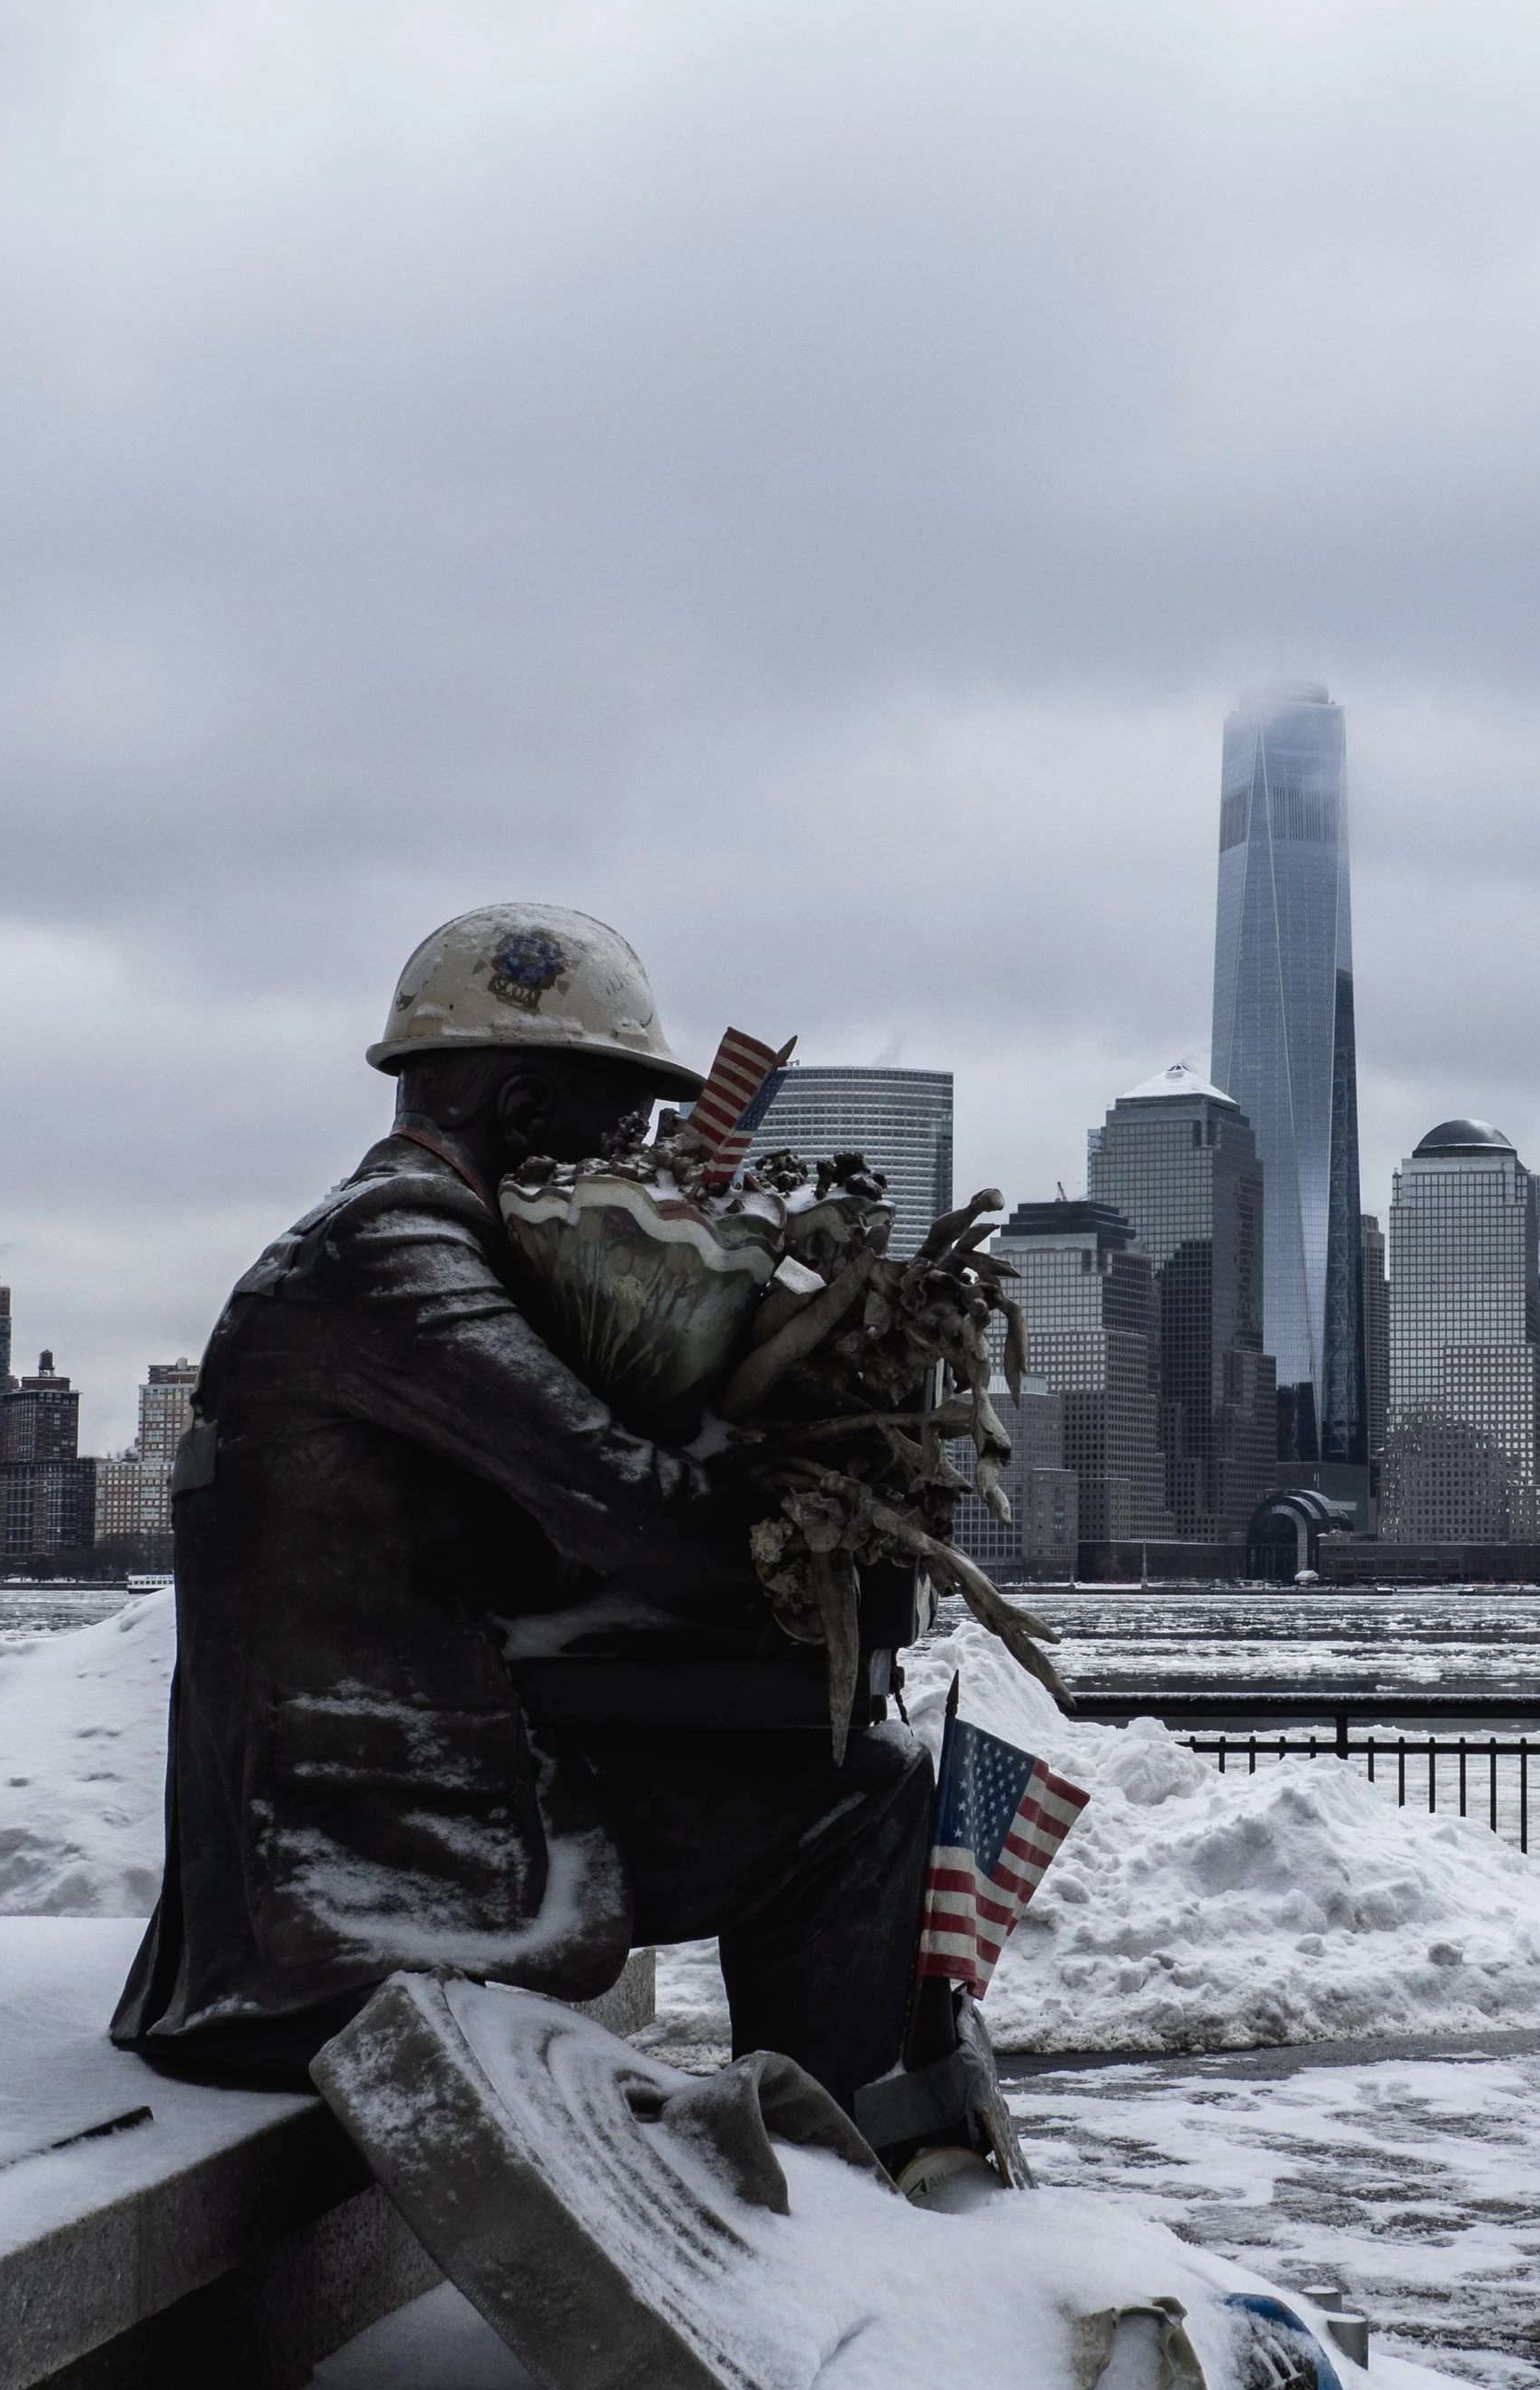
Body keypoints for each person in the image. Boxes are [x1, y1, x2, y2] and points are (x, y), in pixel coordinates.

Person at [112, 905, 978, 2177]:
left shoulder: (408, 1242)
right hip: (347, 1878)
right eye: (619, 1124)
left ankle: (840, 2173)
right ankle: (845, 2199)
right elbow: (630, 1513)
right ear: (523, 1108)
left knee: (855, 1767)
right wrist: (794, 1508)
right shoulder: (394, 1252)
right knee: (861, 1798)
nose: (633, 1159)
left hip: (393, 1805)